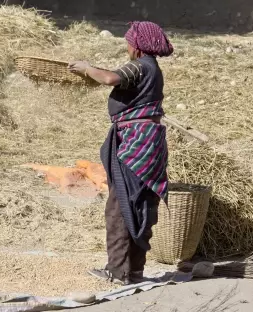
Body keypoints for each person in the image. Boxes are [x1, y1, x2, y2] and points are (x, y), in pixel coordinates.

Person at [68, 21, 173, 285]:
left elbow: (111, 78)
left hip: (135, 145)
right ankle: (134, 271)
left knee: (120, 207)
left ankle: (117, 271)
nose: (127, 47)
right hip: (150, 145)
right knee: (140, 205)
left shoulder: (140, 65)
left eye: (128, 42)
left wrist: (85, 67)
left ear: (136, 46)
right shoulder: (152, 69)